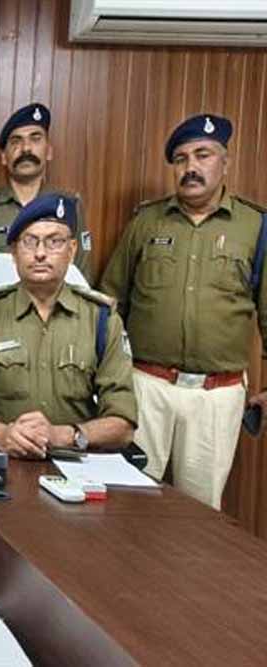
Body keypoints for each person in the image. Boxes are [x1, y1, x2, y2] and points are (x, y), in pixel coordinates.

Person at [99, 114, 267, 509]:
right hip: (146, 386)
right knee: (129, 503)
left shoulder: (256, 226)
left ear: (225, 162)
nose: (191, 167)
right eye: (181, 159)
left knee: (200, 512)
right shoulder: (146, 220)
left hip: (216, 395)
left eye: (202, 155)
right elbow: (109, 301)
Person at [0, 193, 137, 457]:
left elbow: (123, 423)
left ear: (72, 250)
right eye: (29, 242)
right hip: (3, 457)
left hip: (76, 462)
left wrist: (64, 435)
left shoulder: (101, 320)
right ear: (14, 253)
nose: (40, 253)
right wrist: (0, 434)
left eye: (54, 242)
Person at [0, 103, 92, 281]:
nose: (26, 148)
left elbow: (80, 274)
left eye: (35, 139)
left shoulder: (69, 204)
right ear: (3, 157)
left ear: (48, 152)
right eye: (16, 141)